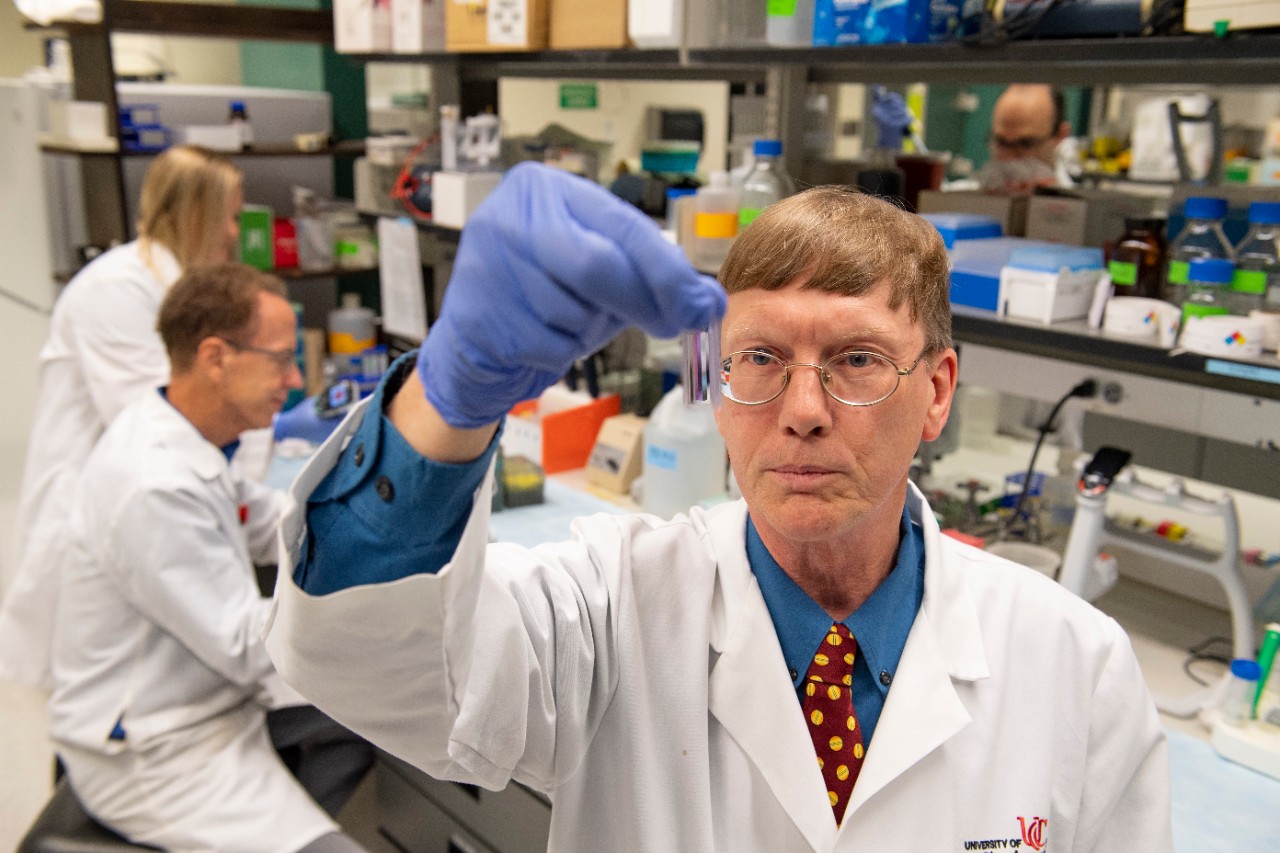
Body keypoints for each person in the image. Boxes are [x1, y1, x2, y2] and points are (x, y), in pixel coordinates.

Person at [265, 164, 1171, 851]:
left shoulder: (1075, 666)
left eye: (857, 359)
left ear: (936, 392)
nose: (804, 410)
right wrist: (448, 401)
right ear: (715, 381)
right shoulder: (609, 609)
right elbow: (361, 654)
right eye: (761, 358)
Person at [49, 264, 372, 852]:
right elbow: (247, 646)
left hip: (205, 695)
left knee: (380, 717)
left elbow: (263, 517)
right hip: (158, 748)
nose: (294, 378)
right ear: (216, 357)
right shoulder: (153, 483)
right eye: (280, 359)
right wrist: (375, 606)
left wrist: (373, 527)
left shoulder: (182, 432)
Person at [0, 144, 338, 689]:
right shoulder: (116, 290)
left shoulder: (170, 284)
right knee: (108, 686)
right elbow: (175, 413)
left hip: (156, 511)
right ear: (196, 213)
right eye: (229, 216)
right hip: (107, 507)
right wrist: (271, 423)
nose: (233, 233)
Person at [979, 84, 1073, 193]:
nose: (1009, 159)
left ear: (1061, 135)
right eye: (1001, 142)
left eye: (1025, 144)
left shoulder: (1082, 206)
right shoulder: (960, 199)